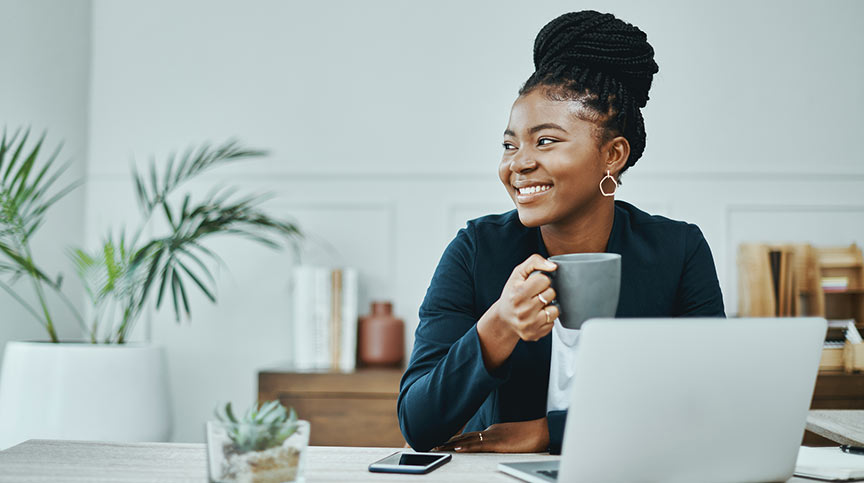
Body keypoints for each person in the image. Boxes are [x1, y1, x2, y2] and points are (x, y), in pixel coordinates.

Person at [397, 10, 725, 455]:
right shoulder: (475, 250)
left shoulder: (678, 251)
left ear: (613, 154)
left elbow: (707, 404)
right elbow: (418, 424)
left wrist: (547, 433)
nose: (519, 163)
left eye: (545, 141)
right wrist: (498, 325)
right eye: (510, 144)